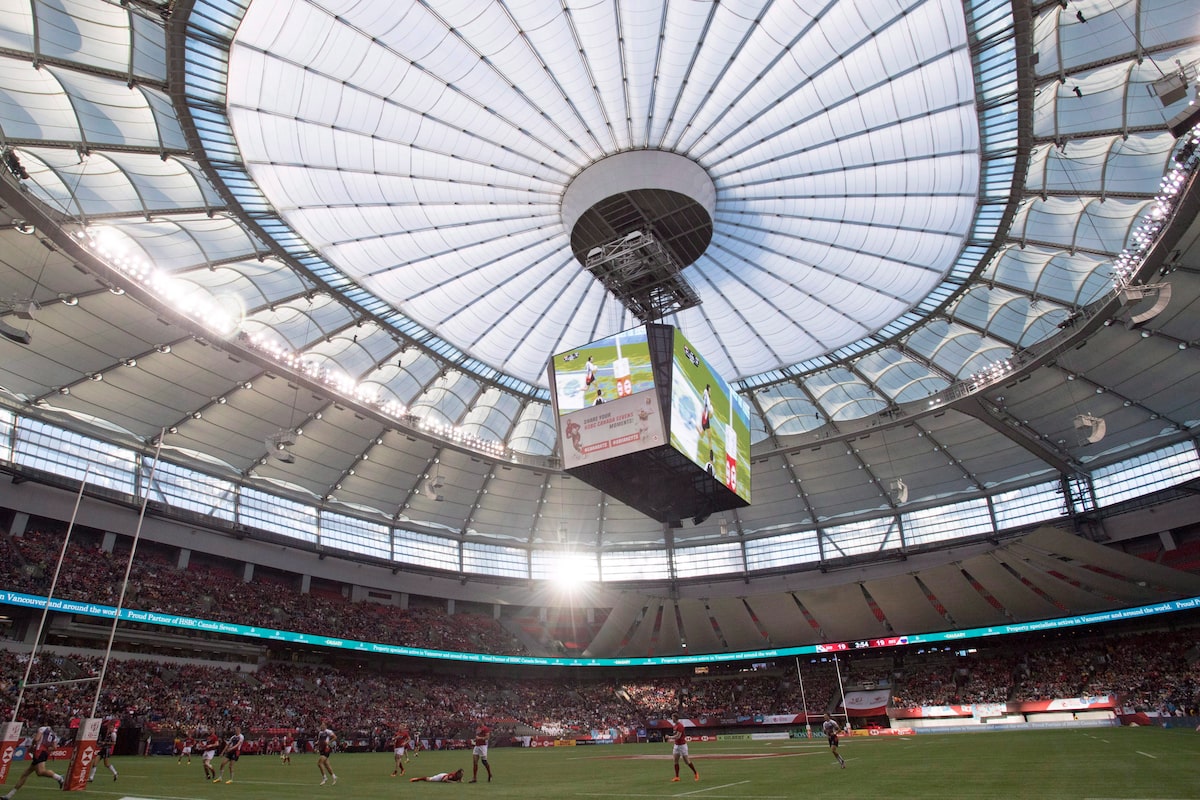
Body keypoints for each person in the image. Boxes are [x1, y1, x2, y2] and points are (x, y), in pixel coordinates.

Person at [2, 725, 65, 798]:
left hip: (39, 751)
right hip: (43, 752)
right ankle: (9, 796)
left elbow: (36, 739)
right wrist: (46, 749)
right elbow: (54, 748)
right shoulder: (53, 735)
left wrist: (32, 746)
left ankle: (59, 777)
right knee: (27, 774)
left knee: (40, 771)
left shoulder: (42, 729)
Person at [667, 712, 699, 783]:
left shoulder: (680, 726)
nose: (672, 719)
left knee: (686, 761)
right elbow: (676, 736)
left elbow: (678, 736)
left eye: (672, 717)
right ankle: (677, 777)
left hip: (682, 745)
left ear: (675, 718)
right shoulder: (674, 726)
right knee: (675, 761)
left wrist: (669, 737)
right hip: (676, 745)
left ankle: (695, 773)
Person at [316, 721, 337, 786]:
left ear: (325, 726)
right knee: (327, 765)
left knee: (319, 763)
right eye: (321, 725)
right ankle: (334, 777)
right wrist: (317, 744)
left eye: (323, 725)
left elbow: (335, 737)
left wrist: (329, 742)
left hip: (326, 749)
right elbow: (319, 740)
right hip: (321, 749)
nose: (321, 726)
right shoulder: (320, 733)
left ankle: (324, 778)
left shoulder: (328, 731)